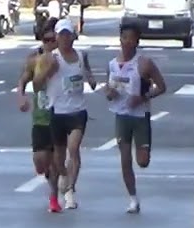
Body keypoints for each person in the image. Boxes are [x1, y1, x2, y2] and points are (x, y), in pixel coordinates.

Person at [33, 19, 97, 210]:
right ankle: (64, 179)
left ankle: (71, 187)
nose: (65, 38)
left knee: (74, 149)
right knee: (59, 159)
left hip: (77, 111)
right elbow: (37, 85)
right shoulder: (51, 58)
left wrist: (92, 80)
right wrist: (47, 73)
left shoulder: (81, 55)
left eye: (68, 34)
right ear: (57, 37)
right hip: (57, 112)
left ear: (73, 36)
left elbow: (89, 76)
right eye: (61, 35)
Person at [104, 22, 167, 214]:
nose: (127, 42)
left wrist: (143, 97)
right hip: (122, 116)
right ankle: (133, 199)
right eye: (124, 38)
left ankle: (144, 153)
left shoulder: (144, 63)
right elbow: (108, 89)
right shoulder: (112, 65)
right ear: (120, 39)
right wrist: (109, 93)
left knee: (142, 161)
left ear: (137, 41)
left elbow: (162, 86)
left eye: (131, 38)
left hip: (140, 116)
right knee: (124, 159)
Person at [18, 21, 62, 213]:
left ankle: (54, 198)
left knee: (54, 161)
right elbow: (23, 80)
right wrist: (21, 96)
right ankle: (43, 170)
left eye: (54, 40)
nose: (50, 44)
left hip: (60, 113)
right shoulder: (34, 59)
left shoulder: (64, 59)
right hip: (40, 116)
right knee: (40, 159)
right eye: (47, 40)